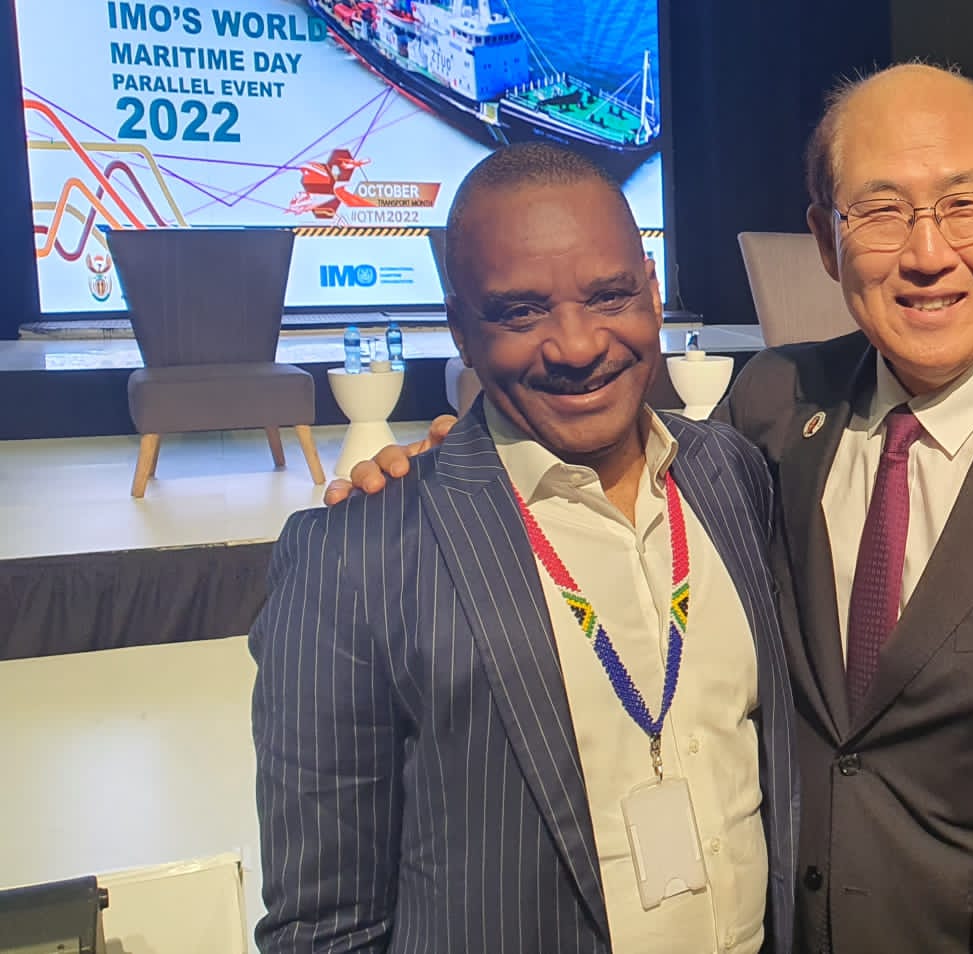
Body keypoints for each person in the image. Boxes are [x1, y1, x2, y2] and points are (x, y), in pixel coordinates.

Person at [330, 64, 973, 954]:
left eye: (965, 205)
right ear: (823, 238)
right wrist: (454, 460)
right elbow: (611, 454)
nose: (927, 254)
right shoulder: (772, 409)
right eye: (880, 212)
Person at [254, 143, 799, 954]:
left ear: (653, 294)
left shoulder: (732, 475)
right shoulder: (354, 559)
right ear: (461, 333)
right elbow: (323, 928)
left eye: (610, 295)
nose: (577, 347)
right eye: (520, 313)